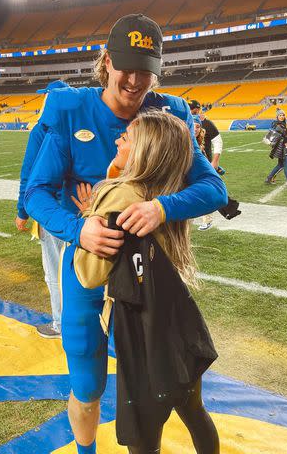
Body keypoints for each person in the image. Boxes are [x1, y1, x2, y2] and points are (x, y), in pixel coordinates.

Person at [24, 14, 227, 454]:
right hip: (90, 264)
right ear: (106, 62)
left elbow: (214, 188)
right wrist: (81, 229)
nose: (136, 81)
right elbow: (36, 193)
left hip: (148, 275)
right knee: (87, 381)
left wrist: (160, 208)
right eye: (126, 67)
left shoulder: (169, 111)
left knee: (163, 377)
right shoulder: (70, 108)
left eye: (147, 70)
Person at [73, 111, 219, 454]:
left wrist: (88, 218)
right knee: (194, 411)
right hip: (180, 323)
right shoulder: (168, 191)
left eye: (127, 137)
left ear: (145, 151)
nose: (118, 140)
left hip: (142, 330)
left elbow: (89, 273)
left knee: (142, 437)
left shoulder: (122, 194)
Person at [16, 79, 69, 339]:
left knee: (54, 270)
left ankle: (60, 324)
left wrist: (22, 211)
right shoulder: (78, 124)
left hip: (51, 209)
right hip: (81, 209)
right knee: (80, 270)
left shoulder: (42, 130)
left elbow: (29, 174)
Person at [190, 102, 224, 230]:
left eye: (193, 109)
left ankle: (207, 219)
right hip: (188, 170)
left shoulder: (207, 126)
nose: (195, 129)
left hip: (203, 168)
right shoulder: (184, 128)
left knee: (204, 193)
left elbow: (218, 142)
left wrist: (214, 162)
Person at [265, 110, 287, 188]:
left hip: (282, 147)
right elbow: (285, 136)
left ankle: (268, 179)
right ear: (277, 116)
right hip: (282, 148)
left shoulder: (284, 124)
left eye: (283, 115)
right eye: (280, 115)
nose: (282, 116)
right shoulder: (278, 125)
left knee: (280, 164)